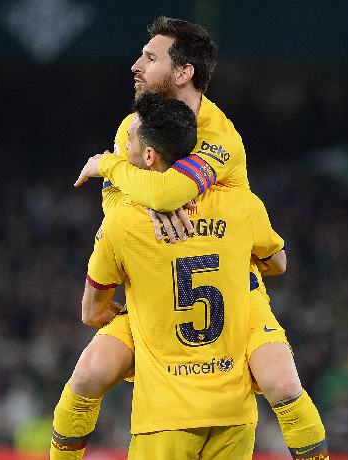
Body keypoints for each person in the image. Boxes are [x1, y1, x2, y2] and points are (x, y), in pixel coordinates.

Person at [53, 17, 328, 460]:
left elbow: (171, 191)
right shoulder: (134, 125)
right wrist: (145, 208)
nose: (135, 66)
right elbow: (115, 208)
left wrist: (108, 166)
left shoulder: (218, 134)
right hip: (158, 284)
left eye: (150, 57)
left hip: (230, 284)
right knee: (88, 374)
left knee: (281, 383)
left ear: (183, 73)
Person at [83, 91, 284, 458]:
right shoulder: (241, 205)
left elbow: (91, 312)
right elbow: (280, 263)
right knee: (289, 392)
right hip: (233, 413)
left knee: (82, 384)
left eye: (129, 138)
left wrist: (143, 330)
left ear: (148, 156)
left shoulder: (124, 223)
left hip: (164, 414)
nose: (122, 143)